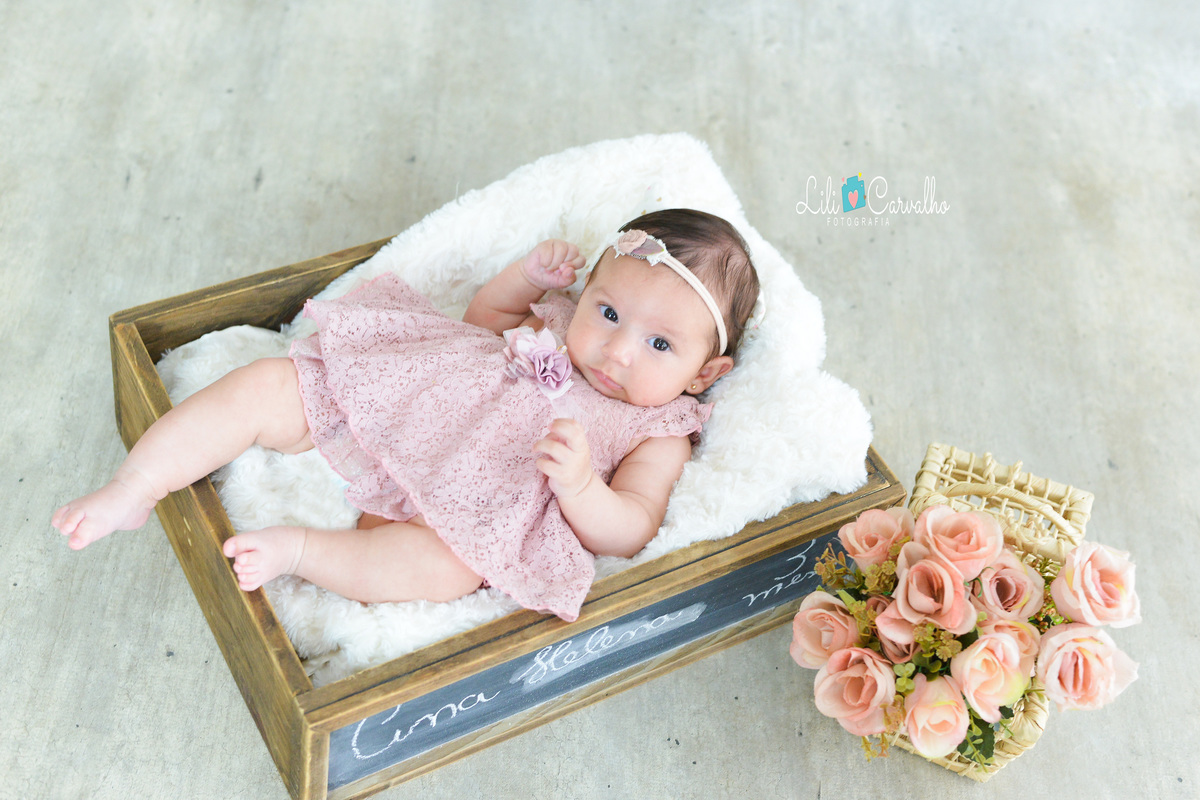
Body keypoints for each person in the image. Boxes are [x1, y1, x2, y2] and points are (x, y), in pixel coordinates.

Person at [52, 209, 761, 621]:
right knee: (274, 383)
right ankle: (136, 486)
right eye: (608, 311)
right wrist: (525, 281)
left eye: (660, 344)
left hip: (483, 492)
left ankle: (302, 553)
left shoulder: (658, 428)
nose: (617, 348)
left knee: (443, 568)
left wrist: (581, 488)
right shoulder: (560, 319)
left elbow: (632, 526)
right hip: (418, 399)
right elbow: (483, 320)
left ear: (706, 373)